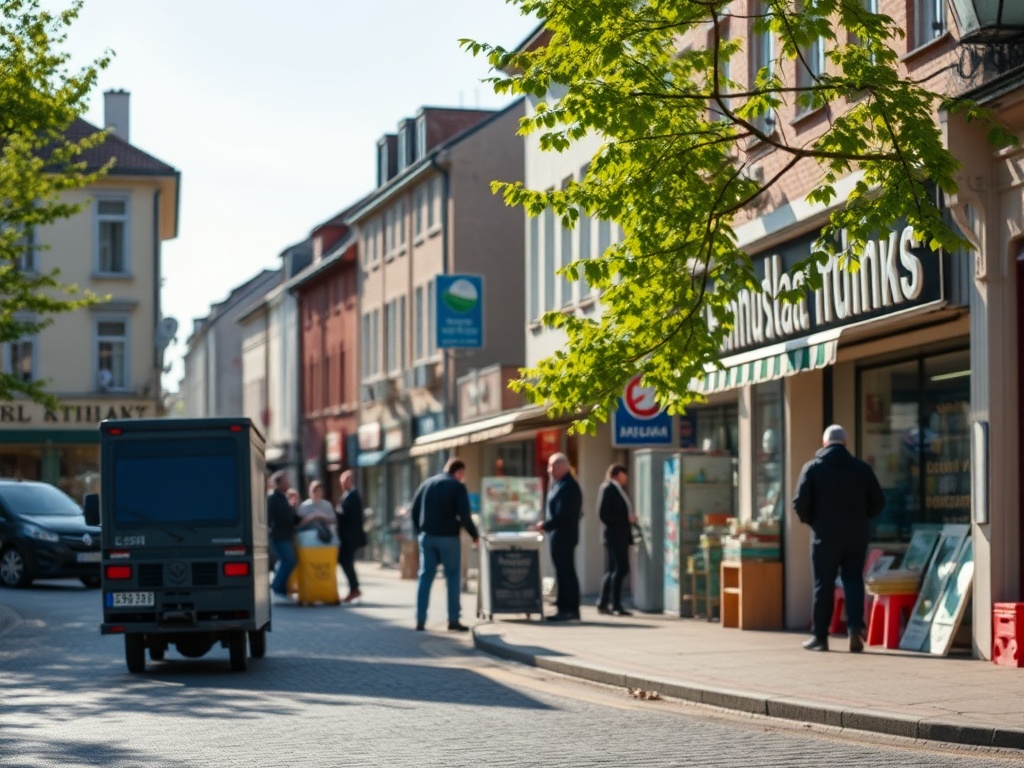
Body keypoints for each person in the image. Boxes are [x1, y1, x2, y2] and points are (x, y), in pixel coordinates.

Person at [793, 424, 885, 652]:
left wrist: (813, 521)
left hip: (823, 535)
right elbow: (879, 501)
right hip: (856, 534)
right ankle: (855, 629)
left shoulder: (812, 468)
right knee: (853, 580)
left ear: (824, 444)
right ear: (845, 444)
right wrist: (863, 517)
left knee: (822, 585)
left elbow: (799, 504)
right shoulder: (861, 469)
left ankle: (820, 637)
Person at [410, 458, 479, 632]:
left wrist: (420, 531)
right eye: (462, 474)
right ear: (459, 472)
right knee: (453, 577)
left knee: (425, 577)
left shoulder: (427, 483)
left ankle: (420, 620)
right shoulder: (457, 486)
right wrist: (474, 534)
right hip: (449, 538)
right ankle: (453, 620)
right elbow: (465, 515)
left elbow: (414, 509)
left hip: (427, 537)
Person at [537, 452, 582, 622]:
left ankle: (569, 608)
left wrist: (546, 525)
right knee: (561, 572)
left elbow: (565, 515)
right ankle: (564, 605)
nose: (549, 470)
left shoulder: (569, 486)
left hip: (565, 536)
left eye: (551, 466)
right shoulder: (558, 484)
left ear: (562, 466)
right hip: (558, 536)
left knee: (566, 572)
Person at [596, 463, 637, 617]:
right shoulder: (608, 488)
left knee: (614, 569)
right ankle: (615, 603)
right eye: (624, 474)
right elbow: (603, 513)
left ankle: (604, 602)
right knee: (620, 568)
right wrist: (625, 519)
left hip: (620, 535)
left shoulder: (619, 490)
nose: (626, 478)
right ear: (617, 474)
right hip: (614, 536)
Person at [336, 470, 367, 603]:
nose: (342, 484)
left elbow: (349, 516)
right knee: (346, 562)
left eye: (344, 481)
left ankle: (354, 589)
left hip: (350, 537)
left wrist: (336, 514)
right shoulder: (347, 495)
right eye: (341, 482)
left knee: (346, 561)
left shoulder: (353, 496)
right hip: (346, 536)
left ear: (350, 481)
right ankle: (354, 588)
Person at [268, 470, 299, 603]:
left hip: (286, 535)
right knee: (289, 561)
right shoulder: (273, 498)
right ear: (279, 483)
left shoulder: (284, 498)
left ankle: (281, 591)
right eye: (286, 480)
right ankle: (276, 588)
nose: (289, 483)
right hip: (279, 535)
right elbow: (284, 516)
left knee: (286, 562)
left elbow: (292, 514)